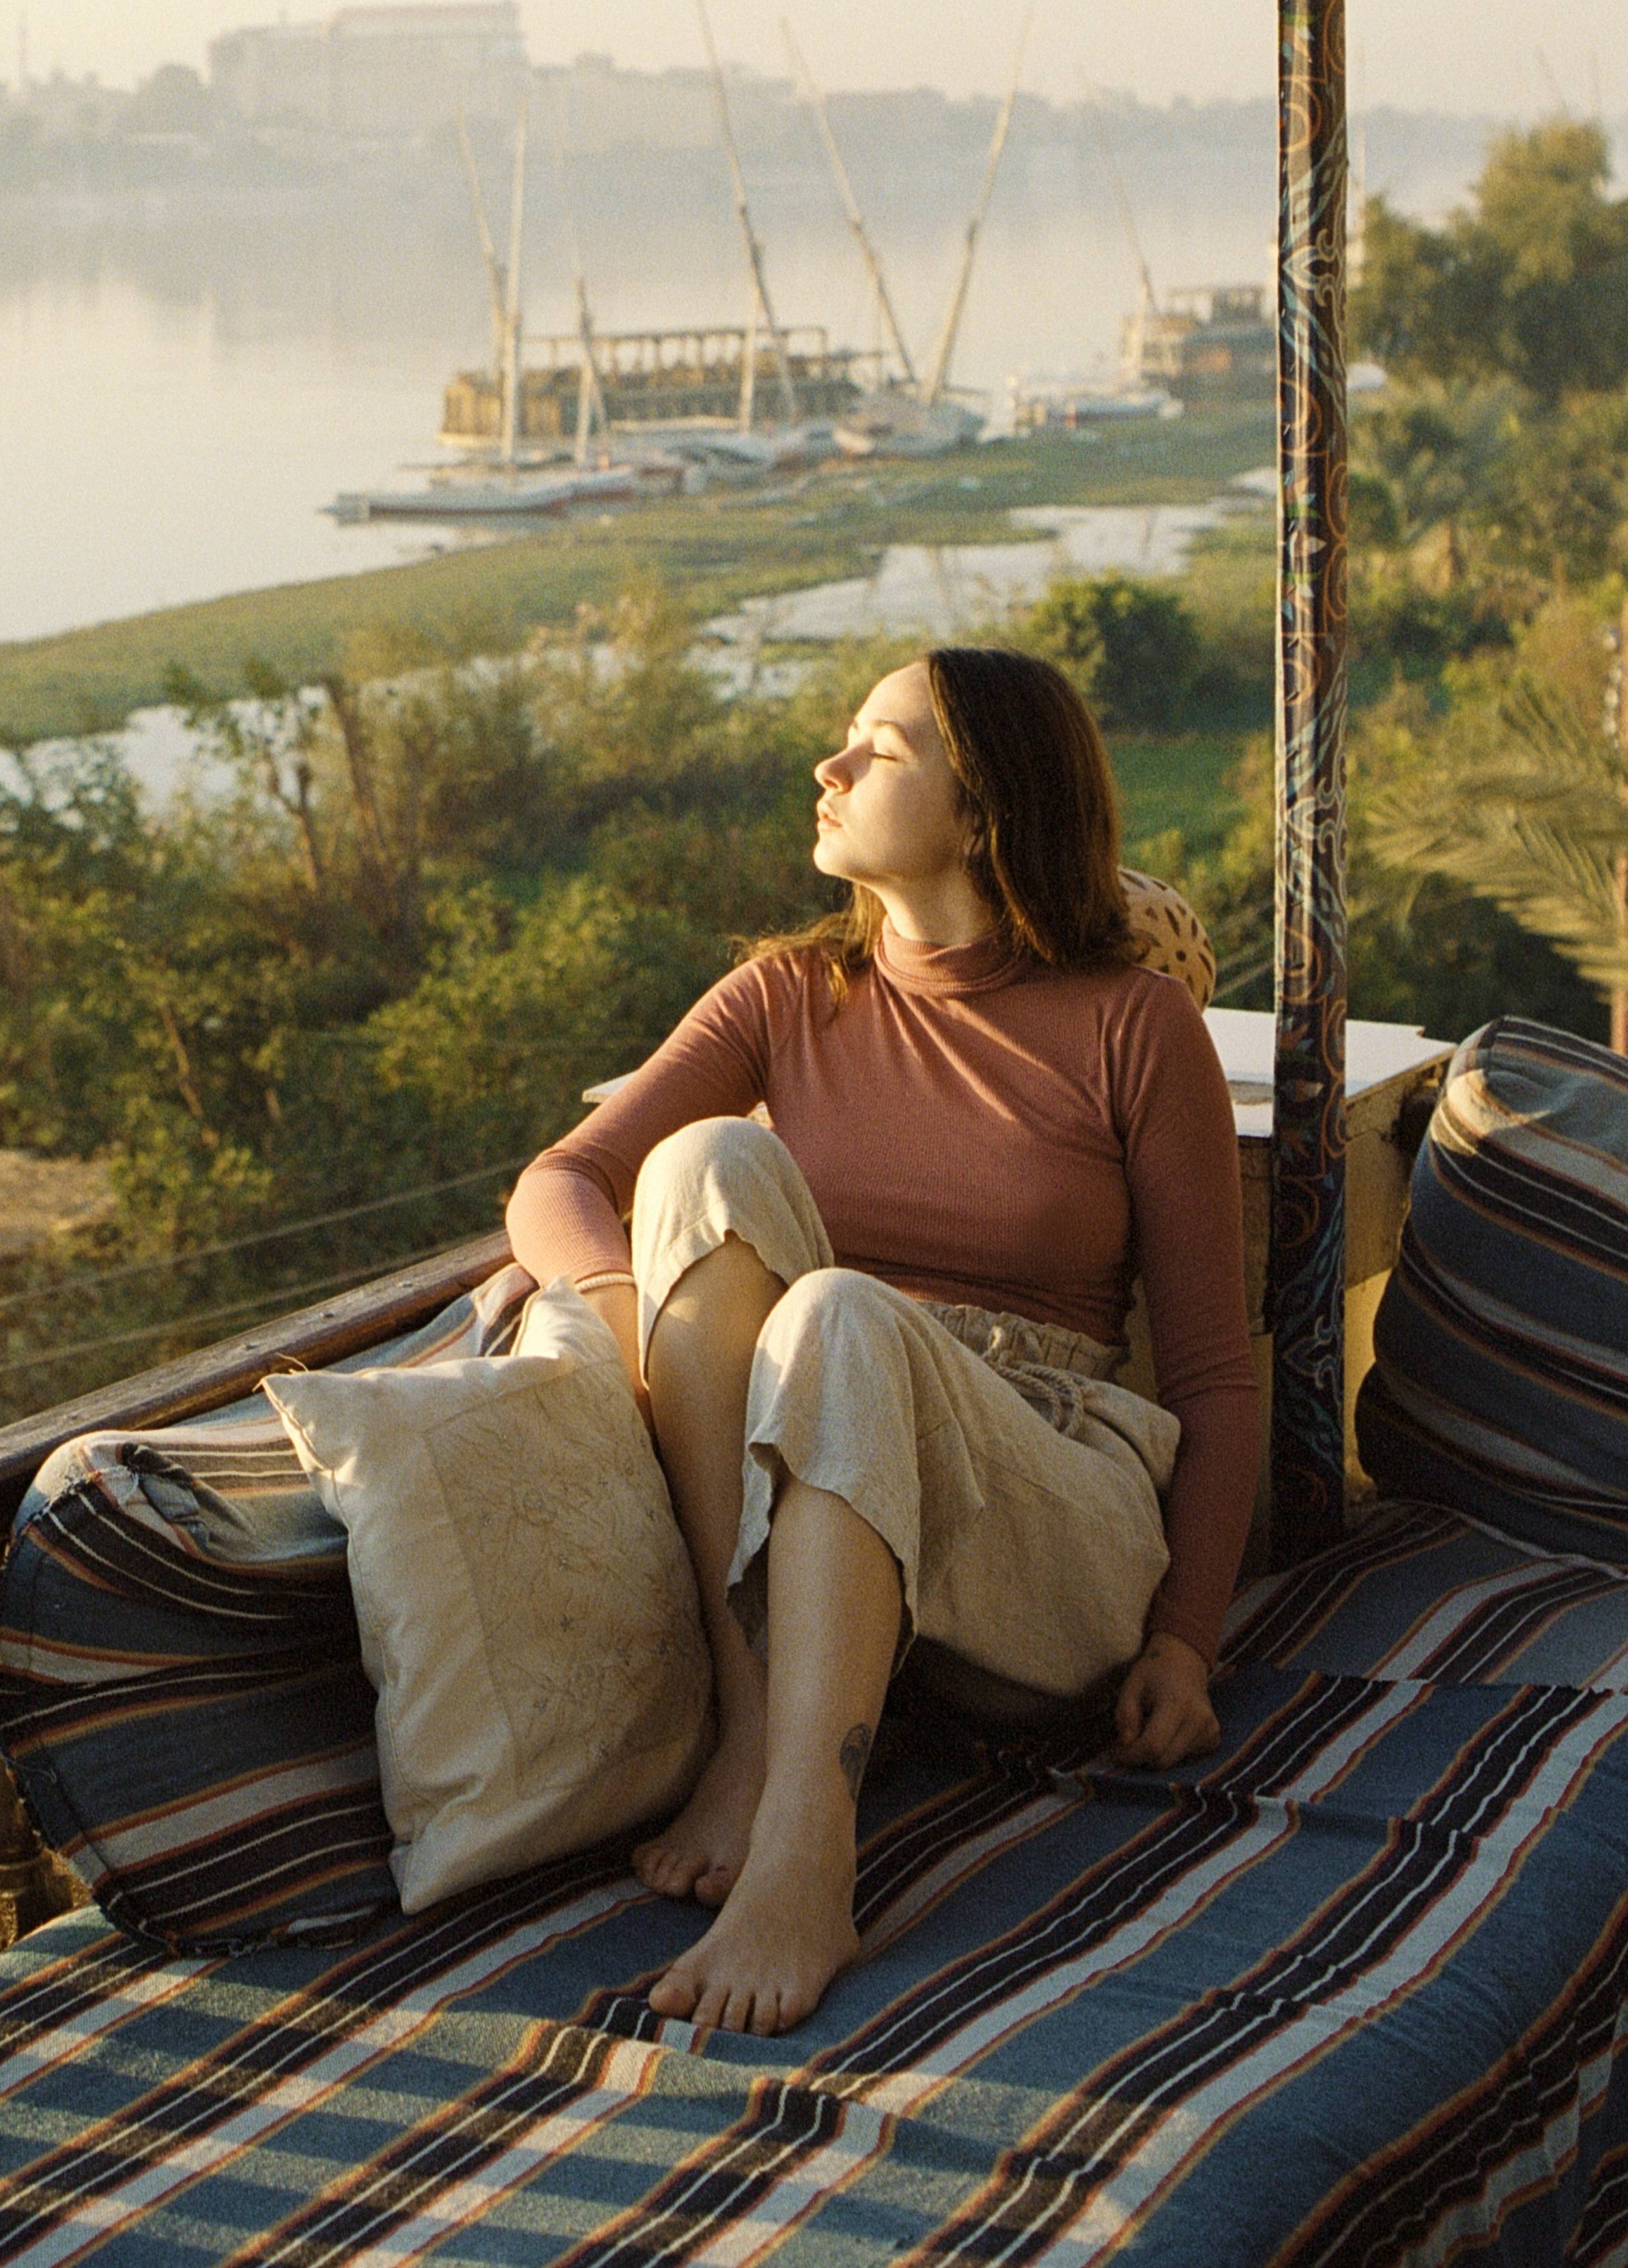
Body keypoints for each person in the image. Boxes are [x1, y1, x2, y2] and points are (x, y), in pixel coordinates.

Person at [508, 642, 1257, 2035]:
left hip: (1043, 1506)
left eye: (879, 747)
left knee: (843, 1311)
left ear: (982, 815)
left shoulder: (1133, 1028)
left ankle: (805, 1855)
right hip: (822, 1505)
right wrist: (631, 1325)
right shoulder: (787, 995)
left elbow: (1213, 1368)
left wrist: (1189, 1643)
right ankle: (755, 1726)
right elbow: (557, 1186)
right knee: (703, 1166)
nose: (829, 767)